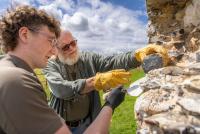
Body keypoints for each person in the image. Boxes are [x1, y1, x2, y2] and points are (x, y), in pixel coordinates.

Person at [0, 5, 126, 134]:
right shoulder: (16, 81)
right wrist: (110, 104)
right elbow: (62, 89)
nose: (55, 51)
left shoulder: (7, 70)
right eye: (51, 41)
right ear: (25, 34)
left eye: (73, 43)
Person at [43, 30, 169, 133]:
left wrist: (136, 56)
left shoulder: (88, 58)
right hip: (61, 127)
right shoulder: (50, 64)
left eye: (73, 43)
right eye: (65, 47)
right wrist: (96, 82)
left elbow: (112, 61)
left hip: (89, 121)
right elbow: (61, 89)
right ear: (56, 49)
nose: (71, 48)